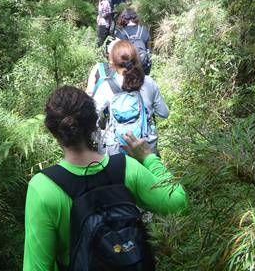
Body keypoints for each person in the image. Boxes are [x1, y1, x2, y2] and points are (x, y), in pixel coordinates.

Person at [23, 86, 187, 271]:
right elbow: (178, 203)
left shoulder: (43, 187)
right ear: (94, 123)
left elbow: (36, 267)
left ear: (53, 131)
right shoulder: (126, 167)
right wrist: (149, 158)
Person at [91, 40, 168, 155]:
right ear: (136, 59)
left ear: (112, 64)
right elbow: (164, 113)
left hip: (117, 152)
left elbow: (90, 114)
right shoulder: (148, 82)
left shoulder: (106, 86)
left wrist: (98, 136)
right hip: (145, 148)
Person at [115, 8, 152, 74]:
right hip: (143, 68)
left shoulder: (120, 33)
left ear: (122, 18)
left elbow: (117, 54)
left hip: (127, 70)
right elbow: (149, 50)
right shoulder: (144, 30)